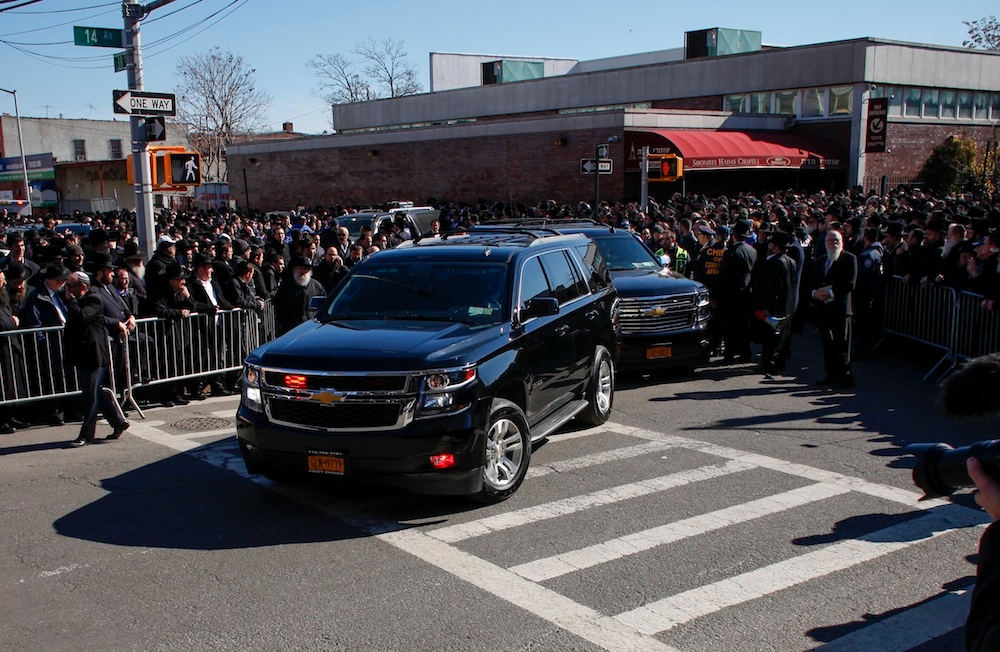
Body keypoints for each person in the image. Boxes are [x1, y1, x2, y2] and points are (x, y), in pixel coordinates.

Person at [62, 271, 130, 447]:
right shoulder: (80, 300)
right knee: (96, 391)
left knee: (90, 396)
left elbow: (82, 317)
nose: (67, 289)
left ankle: (86, 435)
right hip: (83, 354)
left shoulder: (94, 299)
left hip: (95, 355)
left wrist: (70, 300)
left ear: (83, 286)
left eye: (71, 286)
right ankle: (118, 421)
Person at [811, 229, 858, 389]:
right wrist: (815, 293)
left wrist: (830, 292)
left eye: (836, 240)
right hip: (823, 308)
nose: (834, 243)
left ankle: (845, 376)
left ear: (842, 242)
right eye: (830, 241)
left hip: (840, 308)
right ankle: (831, 374)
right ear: (825, 243)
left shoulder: (849, 259)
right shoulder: (822, 260)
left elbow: (850, 283)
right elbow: (813, 280)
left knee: (841, 343)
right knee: (827, 343)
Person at [751, 230, 795, 377]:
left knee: (771, 337)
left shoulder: (776, 263)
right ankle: (779, 362)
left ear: (776, 246)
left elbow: (771, 288)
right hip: (786, 306)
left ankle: (769, 364)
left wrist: (766, 307)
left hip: (775, 307)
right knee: (781, 337)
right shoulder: (791, 261)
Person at [717, 219, 758, 362]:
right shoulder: (752, 251)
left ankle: (729, 354)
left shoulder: (731, 252)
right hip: (746, 293)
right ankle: (745, 353)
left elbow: (723, 275)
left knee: (730, 327)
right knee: (744, 326)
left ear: (734, 235)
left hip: (731, 295)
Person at [0, 266, 28, 433]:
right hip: (2, 348)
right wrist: (13, 323)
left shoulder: (4, 296)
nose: (4, 283)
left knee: (13, 384)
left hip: (10, 345)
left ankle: (11, 416)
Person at [273, 256, 325, 336]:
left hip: (311, 329)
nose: (302, 272)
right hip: (290, 329)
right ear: (294, 270)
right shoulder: (286, 286)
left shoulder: (317, 287)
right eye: (300, 268)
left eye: (305, 269)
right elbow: (279, 306)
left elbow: (323, 307)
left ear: (310, 271)